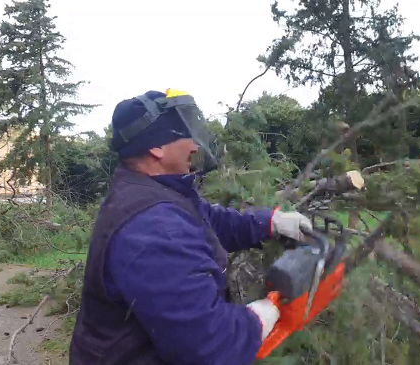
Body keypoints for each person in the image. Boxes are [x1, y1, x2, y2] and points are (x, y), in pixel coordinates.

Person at [69, 89, 314, 365]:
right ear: (157, 147)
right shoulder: (154, 229)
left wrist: (270, 222)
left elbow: (209, 220)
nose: (195, 146)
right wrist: (257, 319)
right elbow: (208, 345)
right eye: (185, 134)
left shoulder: (156, 191)